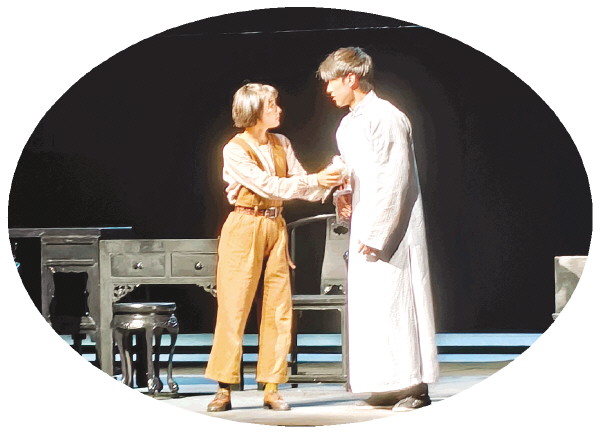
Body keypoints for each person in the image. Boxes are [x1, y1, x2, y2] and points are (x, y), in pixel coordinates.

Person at [204, 83, 343, 412]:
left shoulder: (282, 143)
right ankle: (224, 388)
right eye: (271, 105)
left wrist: (330, 179)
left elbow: (300, 185)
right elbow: (268, 185)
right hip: (244, 225)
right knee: (234, 308)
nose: (278, 110)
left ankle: (271, 387)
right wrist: (315, 180)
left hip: (275, 226)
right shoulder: (235, 149)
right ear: (254, 111)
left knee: (278, 309)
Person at [317, 47, 439, 411]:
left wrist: (377, 232)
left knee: (398, 302)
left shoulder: (386, 116)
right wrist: (343, 193)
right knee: (374, 309)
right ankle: (385, 384)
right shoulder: (348, 124)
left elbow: (395, 178)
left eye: (332, 82)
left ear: (351, 78)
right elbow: (357, 172)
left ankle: (414, 386)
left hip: (391, 229)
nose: (328, 90)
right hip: (365, 222)